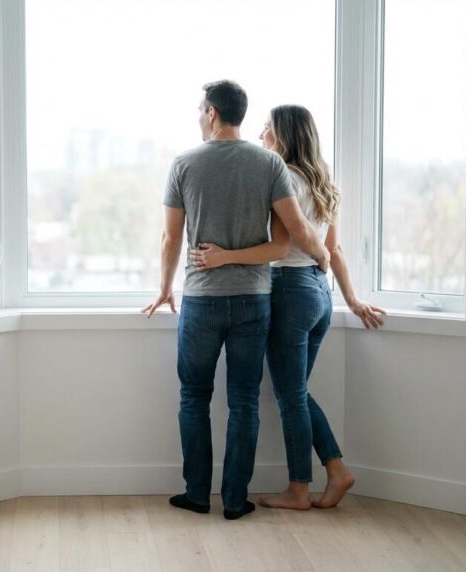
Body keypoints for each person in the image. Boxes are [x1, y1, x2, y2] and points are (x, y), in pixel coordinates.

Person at [142, 83, 329, 520]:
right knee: (244, 401)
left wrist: (166, 287)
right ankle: (233, 500)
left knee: (194, 397)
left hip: (203, 301)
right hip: (253, 301)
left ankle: (195, 493)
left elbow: (171, 237)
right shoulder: (268, 163)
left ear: (211, 112)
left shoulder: (184, 163)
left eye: (199, 109)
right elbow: (292, 232)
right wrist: (322, 257)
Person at [189, 105, 386, 510]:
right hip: (319, 295)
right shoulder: (324, 183)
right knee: (295, 391)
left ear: (282, 135)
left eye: (267, 128)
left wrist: (224, 256)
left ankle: (301, 487)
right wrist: (350, 299)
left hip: (289, 291)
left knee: (291, 395)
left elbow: (279, 246)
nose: (261, 134)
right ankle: (335, 471)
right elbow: (333, 251)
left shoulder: (283, 179)